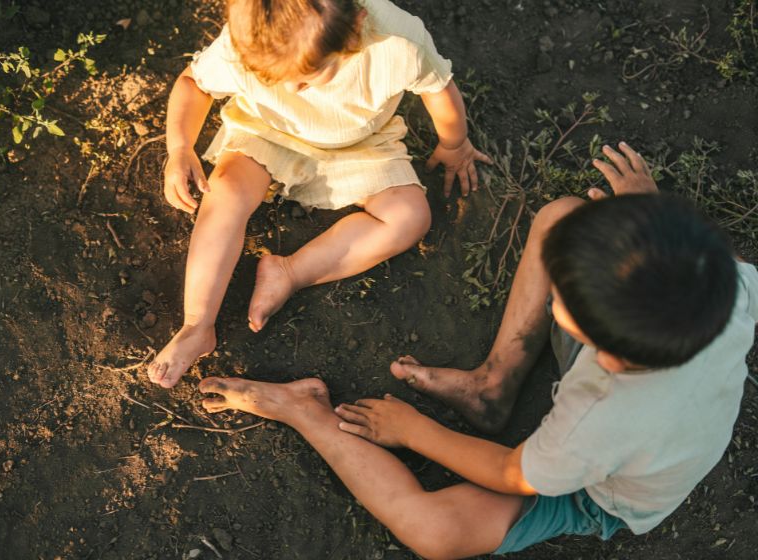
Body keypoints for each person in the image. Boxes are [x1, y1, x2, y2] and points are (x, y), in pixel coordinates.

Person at [197, 143, 758, 558]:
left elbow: (513, 472)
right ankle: (494, 385)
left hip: (599, 491)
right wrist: (647, 213)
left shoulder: (596, 415)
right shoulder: (731, 287)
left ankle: (303, 409)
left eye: (564, 295)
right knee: (563, 219)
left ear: (598, 347)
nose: (556, 286)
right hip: (651, 402)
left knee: (434, 532)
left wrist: (414, 430)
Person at [147, 0, 490, 389]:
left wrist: (454, 144)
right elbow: (194, 83)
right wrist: (180, 148)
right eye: (272, 79)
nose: (290, 88)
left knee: (409, 216)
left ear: (356, 28)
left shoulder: (396, 41)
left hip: (362, 144)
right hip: (268, 131)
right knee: (224, 190)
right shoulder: (247, 42)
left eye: (306, 78)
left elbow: (438, 88)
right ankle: (197, 324)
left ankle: (290, 272)